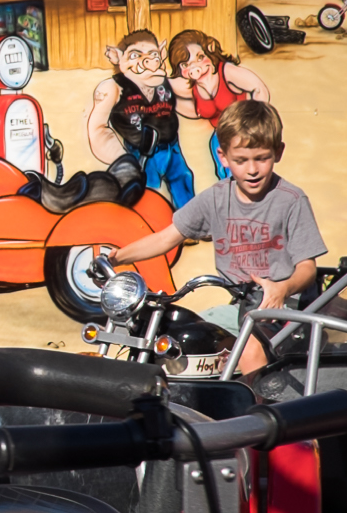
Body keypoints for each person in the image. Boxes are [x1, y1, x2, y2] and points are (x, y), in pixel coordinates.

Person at [108, 100, 326, 374]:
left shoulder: (291, 200)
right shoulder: (215, 198)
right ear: (222, 157)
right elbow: (166, 239)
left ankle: (260, 410)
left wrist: (282, 288)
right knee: (189, 336)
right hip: (240, 303)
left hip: (284, 306)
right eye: (241, 160)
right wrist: (116, 258)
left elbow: (308, 268)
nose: (252, 170)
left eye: (262, 158)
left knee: (248, 351)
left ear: (278, 152)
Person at [88, 29, 195, 208]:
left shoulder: (164, 81)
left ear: (161, 54)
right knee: (145, 196)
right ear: (117, 57)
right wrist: (123, 161)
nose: (146, 61)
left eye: (152, 54)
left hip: (171, 146)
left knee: (183, 179)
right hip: (140, 152)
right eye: (135, 55)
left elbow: (190, 103)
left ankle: (192, 226)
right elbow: (97, 128)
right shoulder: (114, 88)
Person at [168, 28, 270, 180]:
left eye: (200, 57)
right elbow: (194, 111)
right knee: (224, 177)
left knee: (242, 176)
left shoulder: (226, 71)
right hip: (220, 137)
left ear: (208, 52)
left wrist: (253, 125)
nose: (196, 67)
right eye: (186, 64)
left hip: (242, 132)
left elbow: (259, 88)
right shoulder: (194, 88)